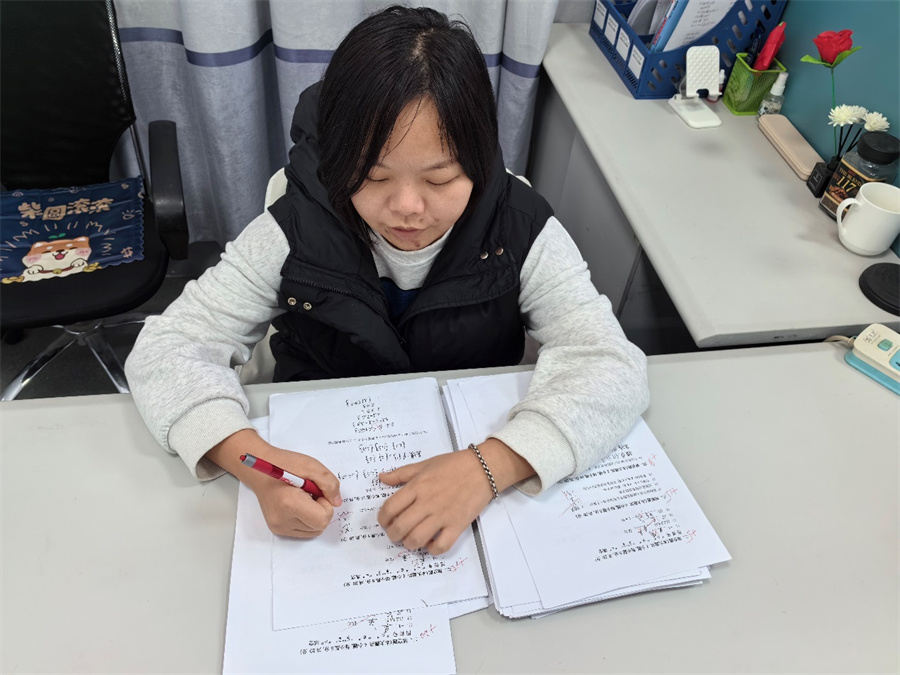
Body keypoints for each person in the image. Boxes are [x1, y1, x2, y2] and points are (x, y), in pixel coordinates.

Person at [125, 5, 649, 555]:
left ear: (478, 160)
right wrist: (251, 462)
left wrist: (493, 466)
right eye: (373, 176)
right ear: (338, 161)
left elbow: (608, 362)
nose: (407, 208)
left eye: (439, 179)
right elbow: (170, 347)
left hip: (473, 451)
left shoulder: (518, 224)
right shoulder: (296, 225)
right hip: (327, 463)